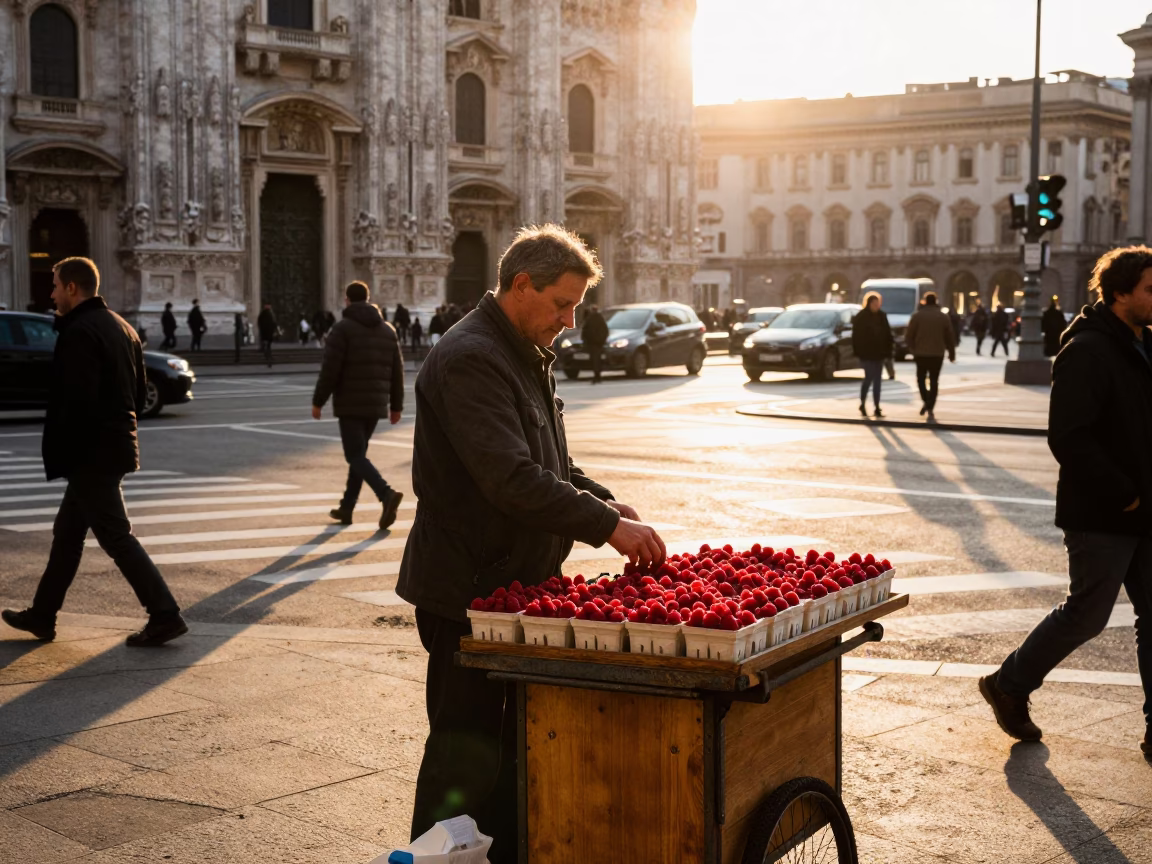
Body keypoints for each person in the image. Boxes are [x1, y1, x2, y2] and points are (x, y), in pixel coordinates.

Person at [396, 225, 666, 862]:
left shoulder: (517, 348)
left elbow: (549, 461)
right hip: (467, 591)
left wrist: (602, 501)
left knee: (511, 755)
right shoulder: (473, 358)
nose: (570, 320)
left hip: (509, 588)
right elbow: (510, 477)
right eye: (563, 304)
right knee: (462, 760)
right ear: (522, 285)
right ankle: (432, 858)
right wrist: (607, 529)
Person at [979, 247, 1152, 765]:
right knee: (1086, 615)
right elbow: (1069, 437)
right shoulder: (1088, 349)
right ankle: (1008, 683)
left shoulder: (1144, 344)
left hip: (1146, 510)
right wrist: (1125, 492)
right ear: (1120, 293)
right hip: (1106, 510)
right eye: (1149, 288)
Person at [2, 257, 187, 647]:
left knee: (116, 537)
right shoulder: (123, 327)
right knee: (67, 534)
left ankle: (165, 614)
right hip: (113, 444)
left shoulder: (80, 331)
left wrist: (68, 452)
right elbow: (137, 396)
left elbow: (76, 401)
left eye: (54, 285)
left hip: (91, 452)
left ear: (72, 287)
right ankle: (42, 614)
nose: (50, 293)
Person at [311, 281, 406, 530]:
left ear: (347, 300)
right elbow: (398, 371)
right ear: (369, 298)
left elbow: (330, 369)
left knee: (354, 455)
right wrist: (397, 405)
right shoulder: (388, 330)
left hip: (350, 404)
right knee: (358, 455)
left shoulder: (342, 329)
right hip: (375, 405)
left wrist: (318, 401)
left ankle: (386, 494)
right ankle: (347, 507)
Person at [904, 291, 956, 423]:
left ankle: (926, 402)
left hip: (921, 354)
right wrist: (951, 353)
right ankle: (930, 406)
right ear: (936, 301)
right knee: (934, 381)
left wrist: (913, 349)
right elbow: (949, 337)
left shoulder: (917, 316)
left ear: (925, 301)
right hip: (937, 354)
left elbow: (908, 336)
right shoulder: (943, 317)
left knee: (921, 379)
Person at [852, 291, 893, 418]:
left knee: (878, 381)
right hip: (866, 353)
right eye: (874, 303)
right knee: (869, 378)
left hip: (879, 353)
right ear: (869, 304)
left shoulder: (882, 316)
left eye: (878, 303)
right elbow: (856, 337)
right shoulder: (861, 317)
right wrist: (859, 352)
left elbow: (887, 334)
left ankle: (876, 407)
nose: (876, 306)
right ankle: (863, 403)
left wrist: (889, 351)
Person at [581, 303, 609, 384]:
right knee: (597, 360)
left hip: (593, 343)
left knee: (595, 360)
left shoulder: (590, 318)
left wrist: (585, 341)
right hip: (598, 343)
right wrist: (602, 340)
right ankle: (598, 376)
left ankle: (597, 377)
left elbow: (585, 331)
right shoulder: (600, 318)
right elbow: (605, 331)